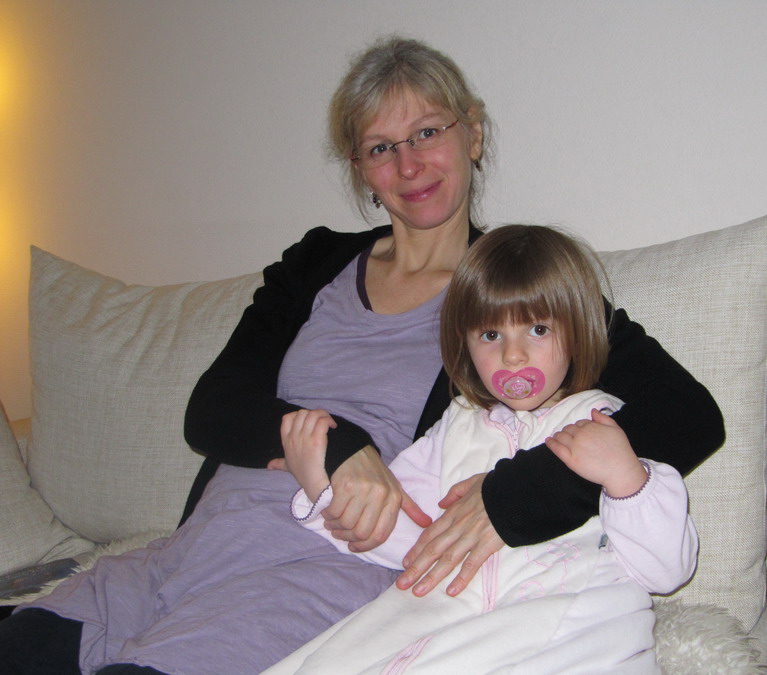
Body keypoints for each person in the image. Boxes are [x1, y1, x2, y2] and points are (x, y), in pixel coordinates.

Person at [0, 37, 723, 675]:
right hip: (189, 550)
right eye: (381, 147)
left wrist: (517, 497)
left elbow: (687, 414)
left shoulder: (514, 289)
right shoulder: (314, 263)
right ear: (360, 169)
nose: (409, 164)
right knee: (26, 647)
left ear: (472, 133)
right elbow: (212, 410)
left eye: (428, 132)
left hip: (325, 570)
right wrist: (339, 445)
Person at [275, 224, 698, 673]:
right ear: (465, 344)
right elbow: (408, 535)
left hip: (572, 628)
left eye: (538, 329)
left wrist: (628, 480)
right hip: (457, 621)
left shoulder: (605, 425)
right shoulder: (456, 426)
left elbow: (665, 572)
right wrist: (322, 484)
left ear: (577, 333)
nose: (513, 355)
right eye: (491, 335)